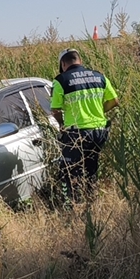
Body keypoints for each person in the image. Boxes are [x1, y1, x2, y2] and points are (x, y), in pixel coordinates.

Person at [50, 48, 119, 203]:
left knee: (68, 171)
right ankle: (91, 201)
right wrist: (99, 111)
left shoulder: (61, 80)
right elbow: (114, 101)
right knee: (91, 168)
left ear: (63, 63)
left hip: (77, 134)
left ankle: (72, 206)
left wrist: (62, 123)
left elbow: (55, 109)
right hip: (99, 132)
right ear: (79, 60)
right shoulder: (99, 76)